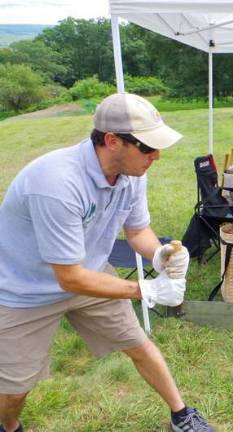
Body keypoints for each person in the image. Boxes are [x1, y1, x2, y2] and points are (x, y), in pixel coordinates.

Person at [0, 93, 214, 432]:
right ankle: (9, 426)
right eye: (147, 148)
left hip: (91, 271)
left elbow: (137, 230)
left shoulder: (132, 174)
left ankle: (182, 414)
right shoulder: (56, 183)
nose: (156, 156)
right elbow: (69, 278)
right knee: (14, 390)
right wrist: (146, 289)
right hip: (24, 291)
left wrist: (158, 254)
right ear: (112, 141)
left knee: (139, 345)